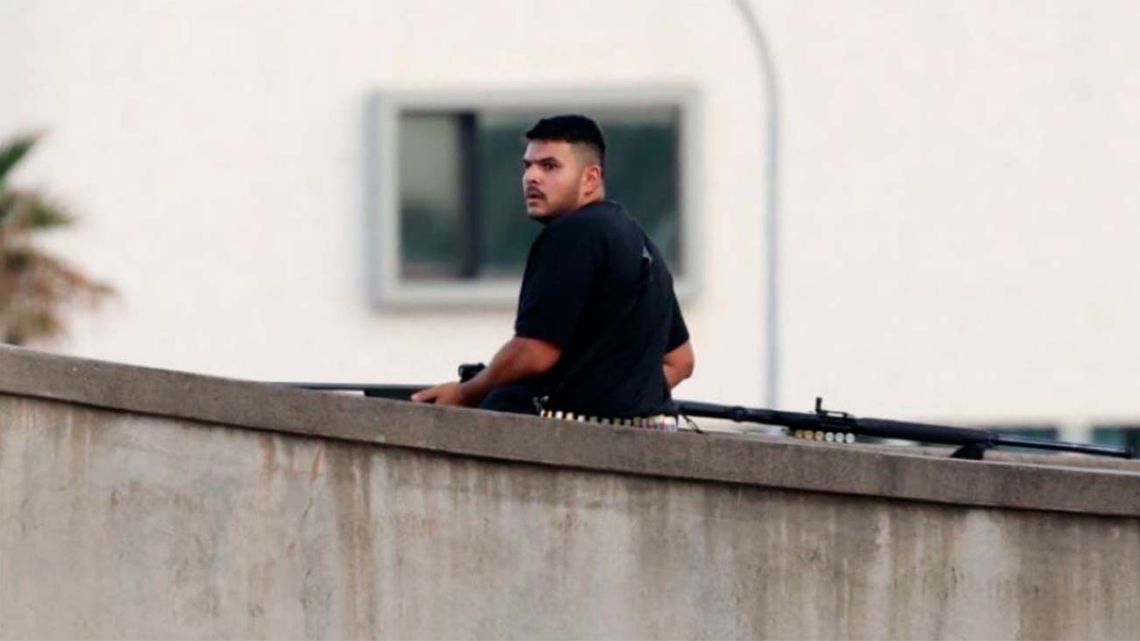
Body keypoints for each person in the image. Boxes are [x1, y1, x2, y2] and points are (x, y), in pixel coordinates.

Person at [411, 114, 694, 429]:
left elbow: (534, 352)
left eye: (549, 166)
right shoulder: (642, 242)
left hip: (576, 450)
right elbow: (680, 362)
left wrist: (467, 392)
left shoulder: (573, 234)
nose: (532, 177)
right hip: (653, 442)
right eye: (527, 166)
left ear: (590, 178)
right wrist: (622, 397)